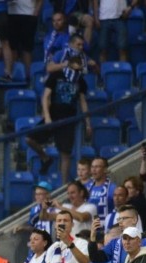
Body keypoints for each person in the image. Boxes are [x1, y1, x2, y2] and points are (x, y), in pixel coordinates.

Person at [26, 56, 91, 184]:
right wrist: (47, 117)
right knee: (29, 138)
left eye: (80, 69)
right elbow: (45, 97)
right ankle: (45, 158)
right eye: (76, 67)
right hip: (53, 115)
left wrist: (88, 123)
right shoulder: (56, 75)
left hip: (68, 120)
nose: (77, 71)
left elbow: (83, 103)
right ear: (70, 64)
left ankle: (64, 186)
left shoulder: (80, 81)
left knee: (65, 153)